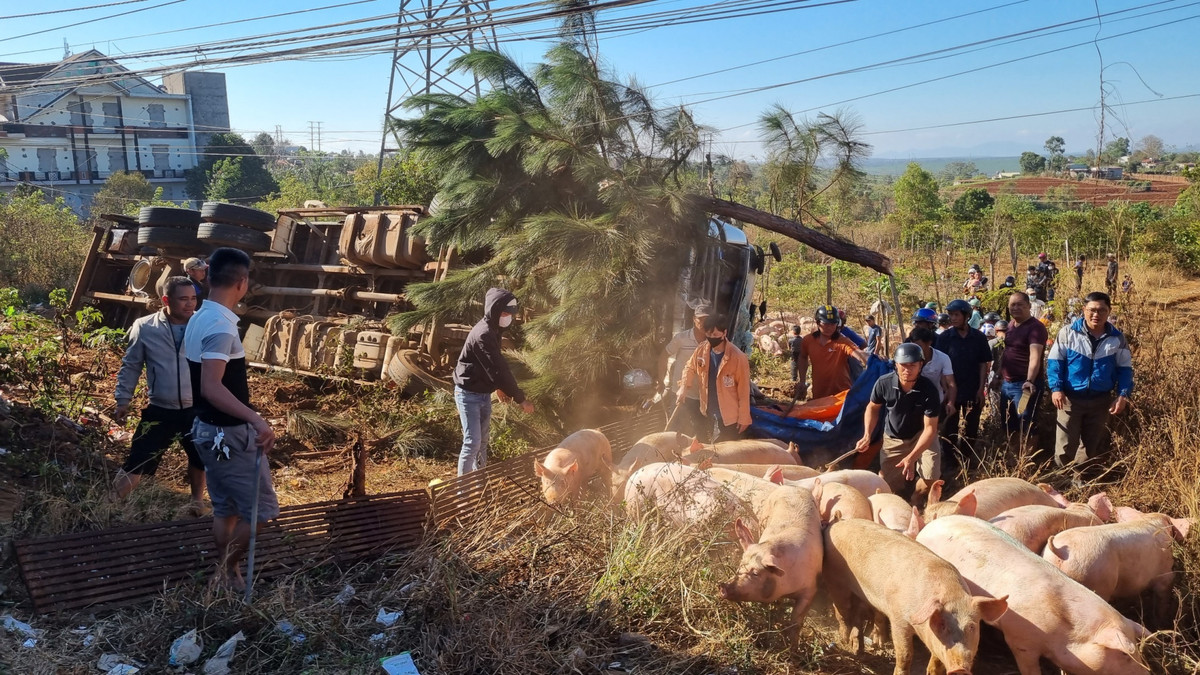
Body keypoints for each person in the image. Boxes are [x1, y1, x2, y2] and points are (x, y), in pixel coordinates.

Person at [184, 247, 278, 591]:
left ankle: (230, 576)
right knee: (262, 511)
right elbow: (212, 387)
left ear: (208, 277)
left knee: (225, 509)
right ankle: (224, 570)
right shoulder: (222, 327)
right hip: (230, 434)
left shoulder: (199, 317)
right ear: (243, 282)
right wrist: (257, 420)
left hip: (206, 430)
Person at [111, 277, 206, 514]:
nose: (189, 304)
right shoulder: (145, 327)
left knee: (199, 457)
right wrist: (123, 399)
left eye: (193, 298)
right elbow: (131, 364)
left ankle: (197, 502)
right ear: (166, 300)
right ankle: (108, 506)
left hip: (196, 408)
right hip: (160, 409)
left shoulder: (202, 326)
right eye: (183, 299)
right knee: (138, 459)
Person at [1047, 292, 1133, 473]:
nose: (1096, 314)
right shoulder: (1068, 333)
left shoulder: (1117, 338)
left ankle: (1080, 480)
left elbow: (1125, 369)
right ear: (1083, 310)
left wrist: (1122, 395)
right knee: (1065, 445)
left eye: (1102, 310)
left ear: (1109, 311)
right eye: (1092, 310)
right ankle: (1062, 481)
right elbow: (1055, 362)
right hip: (1070, 399)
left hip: (1100, 400)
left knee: (1090, 445)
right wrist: (1056, 388)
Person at [452, 288, 534, 475]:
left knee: (482, 443)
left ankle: (477, 485)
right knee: (472, 442)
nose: (508, 318)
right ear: (495, 310)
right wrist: (521, 398)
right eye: (505, 313)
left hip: (482, 394)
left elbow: (488, 366)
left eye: (510, 314)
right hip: (468, 395)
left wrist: (497, 387)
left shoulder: (494, 329)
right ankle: (462, 493)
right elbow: (498, 368)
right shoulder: (483, 334)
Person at [856, 343, 941, 502]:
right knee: (891, 486)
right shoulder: (884, 383)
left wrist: (912, 457)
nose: (907, 369)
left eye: (912, 365)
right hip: (894, 437)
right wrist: (867, 434)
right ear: (895, 364)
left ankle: (916, 497)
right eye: (903, 365)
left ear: (920, 365)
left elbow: (930, 429)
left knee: (931, 478)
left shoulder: (929, 389)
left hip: (921, 436)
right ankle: (893, 484)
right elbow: (873, 407)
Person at [936, 298, 995, 467]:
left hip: (972, 389)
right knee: (949, 428)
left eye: (956, 315)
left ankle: (968, 459)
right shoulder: (945, 337)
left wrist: (981, 389)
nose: (953, 318)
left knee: (972, 426)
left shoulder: (978, 337)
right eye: (951, 315)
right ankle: (950, 462)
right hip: (952, 391)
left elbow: (983, 363)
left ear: (966, 316)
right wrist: (945, 390)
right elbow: (940, 365)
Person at [678, 314, 751, 442]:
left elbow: (744, 390)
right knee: (708, 446)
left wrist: (744, 417)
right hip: (707, 410)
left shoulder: (738, 357)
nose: (712, 339)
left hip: (729, 416)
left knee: (725, 452)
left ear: (724, 333)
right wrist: (684, 387)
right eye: (709, 335)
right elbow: (689, 367)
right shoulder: (701, 350)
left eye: (716, 335)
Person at [998, 291, 1048, 440]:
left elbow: (1035, 357)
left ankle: (1029, 458)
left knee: (1026, 422)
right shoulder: (1011, 325)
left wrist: (1030, 381)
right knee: (1008, 423)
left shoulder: (1036, 328)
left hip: (1024, 386)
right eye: (1012, 305)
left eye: (1020, 304)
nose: (1015, 308)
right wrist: (999, 374)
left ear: (1029, 306)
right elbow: (1007, 352)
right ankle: (1014, 457)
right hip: (1007, 384)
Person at [795, 305, 868, 400]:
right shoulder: (808, 340)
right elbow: (803, 357)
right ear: (818, 322)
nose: (829, 327)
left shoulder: (842, 341)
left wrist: (872, 358)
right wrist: (802, 381)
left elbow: (858, 353)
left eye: (833, 324)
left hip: (841, 396)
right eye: (825, 324)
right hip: (819, 394)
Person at [662, 302, 711, 436]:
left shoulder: (714, 341)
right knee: (673, 432)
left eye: (707, 319)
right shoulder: (681, 338)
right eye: (700, 319)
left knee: (700, 434)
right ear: (694, 319)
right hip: (681, 394)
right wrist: (661, 380)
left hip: (702, 397)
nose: (703, 323)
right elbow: (663, 355)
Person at [909, 327, 956, 418]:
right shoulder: (907, 358)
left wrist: (951, 403)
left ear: (929, 343)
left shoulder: (943, 358)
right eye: (913, 346)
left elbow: (951, 384)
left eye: (919, 346)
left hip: (935, 403)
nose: (916, 349)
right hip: (912, 403)